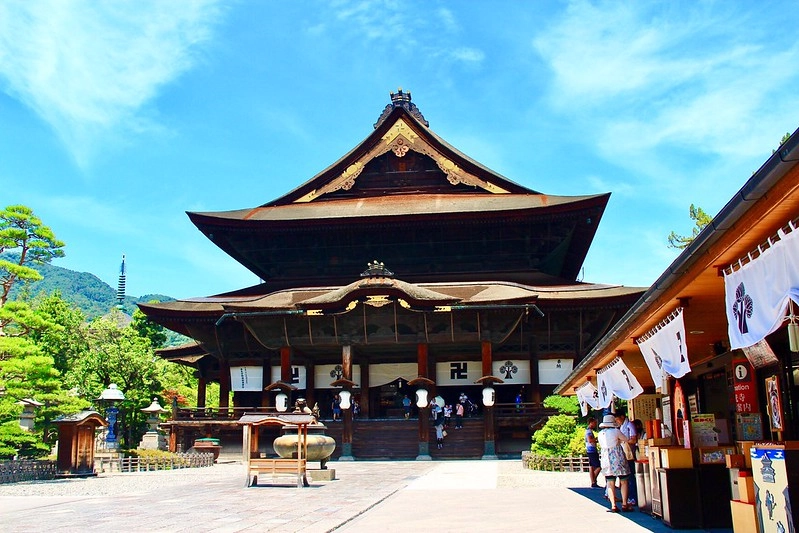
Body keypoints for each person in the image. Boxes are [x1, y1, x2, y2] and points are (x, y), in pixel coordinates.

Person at [598, 414, 632, 512]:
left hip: (605, 457)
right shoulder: (616, 431)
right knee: (623, 480)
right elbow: (626, 439)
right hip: (617, 455)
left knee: (610, 482)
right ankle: (625, 504)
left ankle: (613, 505)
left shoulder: (600, 434)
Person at [616, 411, 638, 507]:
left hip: (630, 454)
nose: (617, 421)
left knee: (631, 477)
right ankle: (629, 497)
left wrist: (625, 441)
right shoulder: (622, 427)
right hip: (624, 454)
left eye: (617, 419)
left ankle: (633, 497)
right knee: (627, 477)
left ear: (622, 417)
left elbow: (634, 439)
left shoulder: (629, 425)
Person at [585, 417, 601, 488]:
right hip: (592, 450)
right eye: (594, 423)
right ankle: (593, 479)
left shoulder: (588, 430)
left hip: (590, 449)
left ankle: (593, 481)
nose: (595, 424)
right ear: (591, 423)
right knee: (598, 466)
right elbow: (590, 440)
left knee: (591, 466)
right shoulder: (588, 431)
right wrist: (597, 439)